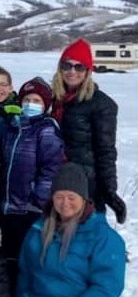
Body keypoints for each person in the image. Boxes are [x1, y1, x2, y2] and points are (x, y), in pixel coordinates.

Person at [10, 163, 125, 297]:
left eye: (72, 197)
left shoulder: (103, 237)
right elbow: (26, 270)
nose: (65, 203)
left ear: (84, 199)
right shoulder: (39, 229)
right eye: (60, 196)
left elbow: (106, 288)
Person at [50, 38, 126, 224]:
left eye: (79, 67)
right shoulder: (53, 99)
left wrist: (109, 190)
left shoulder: (102, 105)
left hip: (86, 182)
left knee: (88, 230)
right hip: (56, 176)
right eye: (67, 66)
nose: (72, 72)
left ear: (88, 71)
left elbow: (105, 150)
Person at [0, 77, 64, 275]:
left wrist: (38, 199)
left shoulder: (46, 129)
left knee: (24, 259)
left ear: (45, 105)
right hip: (5, 206)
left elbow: (50, 169)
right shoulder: (12, 127)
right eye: (27, 100)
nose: (30, 104)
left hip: (29, 208)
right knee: (4, 258)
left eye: (36, 101)